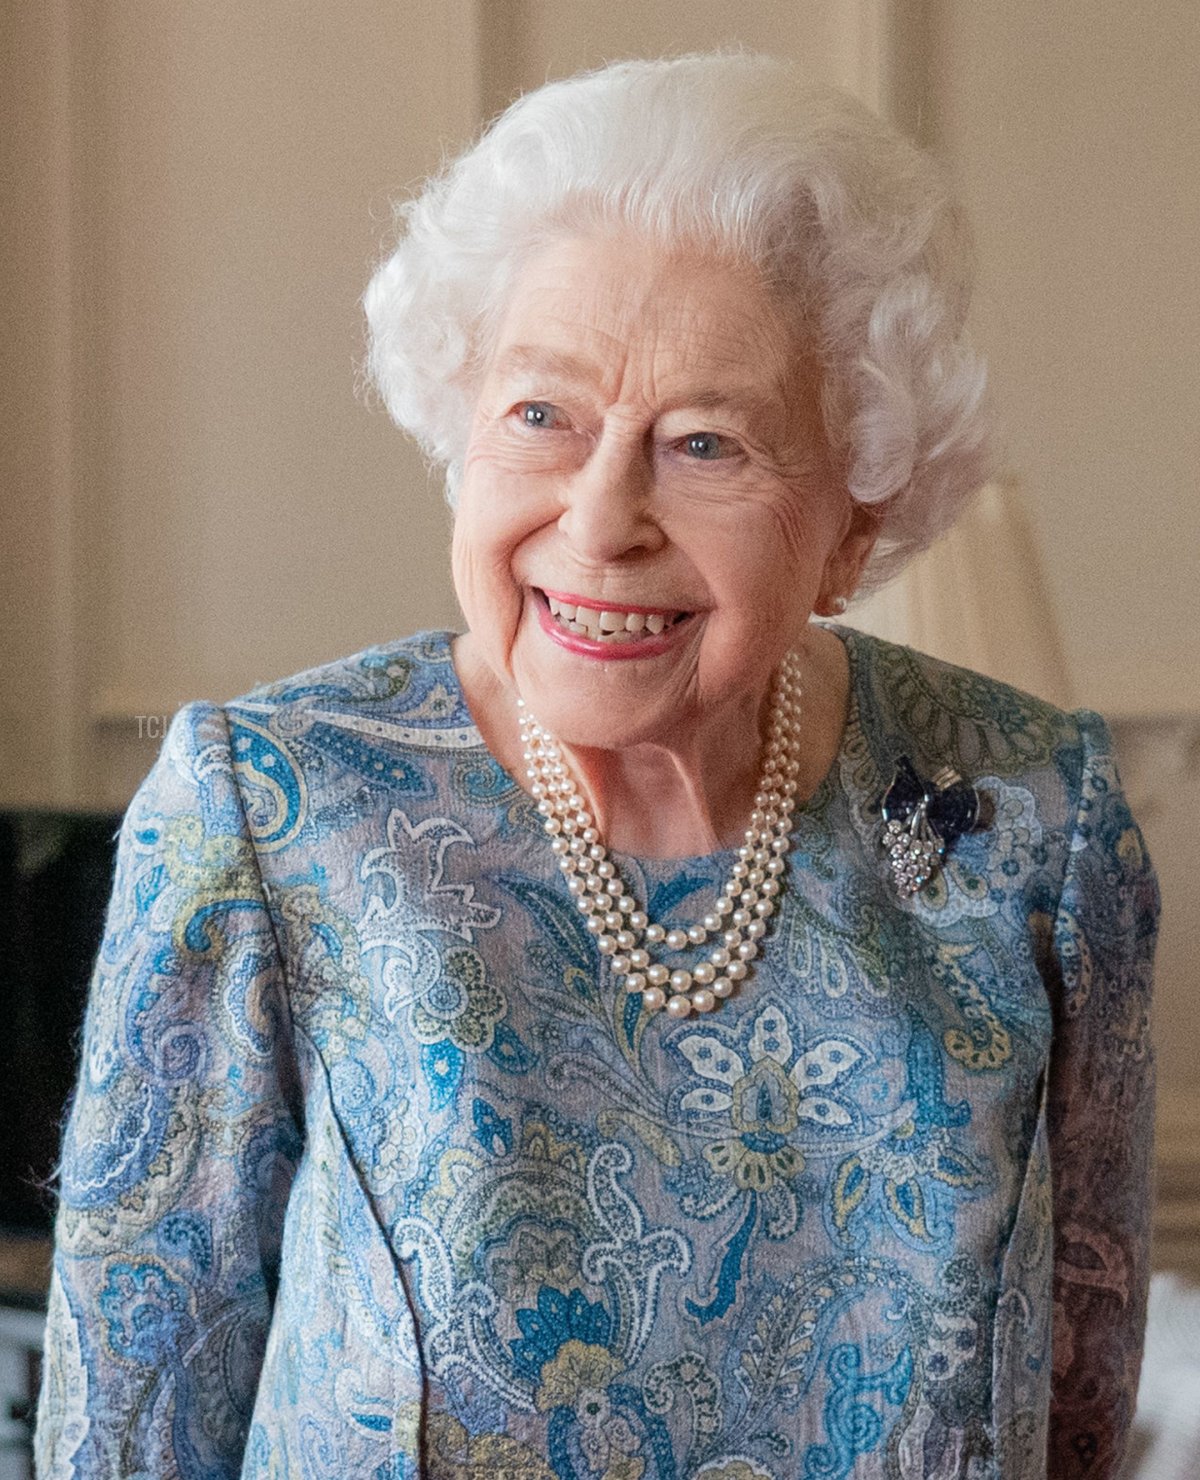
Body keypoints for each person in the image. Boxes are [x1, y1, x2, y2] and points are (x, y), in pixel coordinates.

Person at [35, 53, 1157, 1480]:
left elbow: (1079, 1409)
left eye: (706, 443)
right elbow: (126, 1431)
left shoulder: (1031, 819)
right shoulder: (273, 813)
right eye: (541, 416)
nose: (601, 515)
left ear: (854, 522)